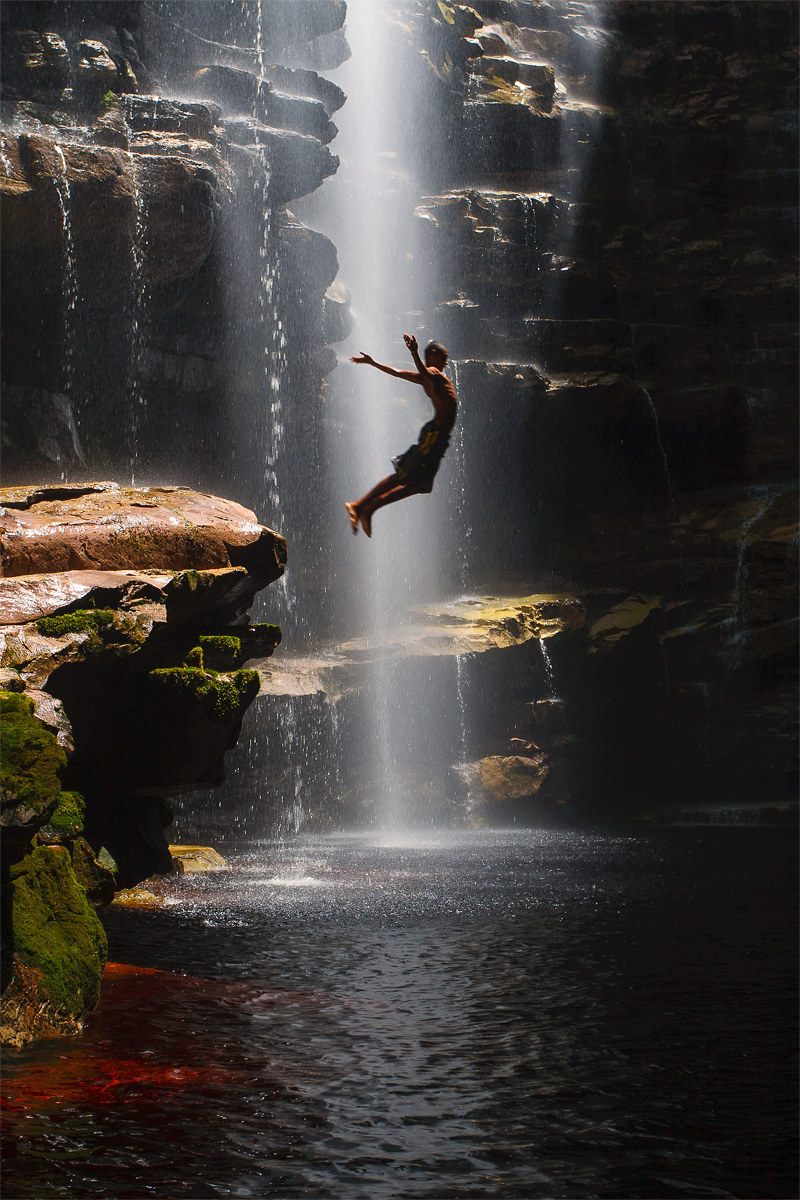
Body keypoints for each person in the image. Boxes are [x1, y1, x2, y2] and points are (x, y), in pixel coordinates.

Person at [345, 333, 458, 537]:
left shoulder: (429, 378)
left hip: (439, 439)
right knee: (404, 475)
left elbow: (397, 372)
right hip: (434, 437)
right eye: (444, 356)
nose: (447, 362)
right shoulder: (433, 372)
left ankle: (369, 508)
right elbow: (423, 370)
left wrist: (372, 363)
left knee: (421, 484)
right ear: (433, 354)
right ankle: (358, 505)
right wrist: (414, 353)